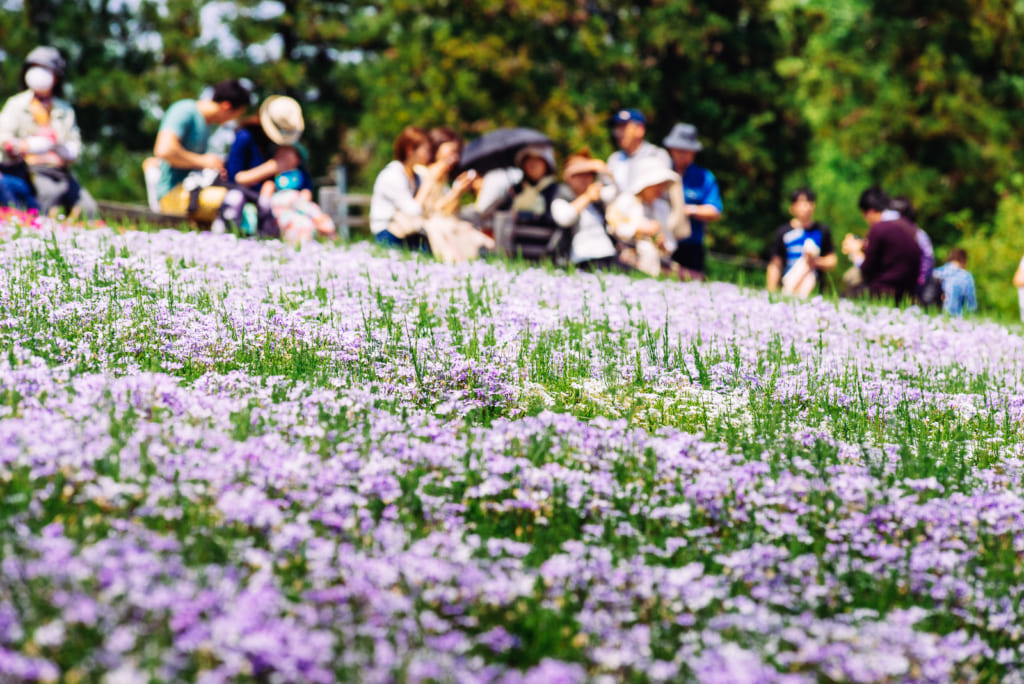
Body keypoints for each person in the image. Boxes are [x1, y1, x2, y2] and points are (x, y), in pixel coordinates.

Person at [0, 46, 97, 218]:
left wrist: (61, 148)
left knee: (88, 208)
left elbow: (75, 147)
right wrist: (28, 145)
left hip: (60, 171)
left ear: (56, 76)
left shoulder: (64, 109)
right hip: (29, 170)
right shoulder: (16, 104)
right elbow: (4, 138)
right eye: (34, 67)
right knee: (48, 196)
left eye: (45, 69)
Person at [152, 78, 252, 223]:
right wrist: (203, 161)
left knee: (242, 200)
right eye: (235, 115)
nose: (232, 121)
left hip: (195, 192)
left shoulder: (208, 125)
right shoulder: (184, 110)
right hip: (172, 193)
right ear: (225, 106)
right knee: (233, 200)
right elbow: (164, 150)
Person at [220, 95, 308, 235]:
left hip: (282, 203)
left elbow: (304, 183)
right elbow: (234, 178)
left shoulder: (291, 148)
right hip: (249, 198)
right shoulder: (246, 136)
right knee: (235, 200)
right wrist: (274, 167)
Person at [606, 156, 688, 278]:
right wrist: (638, 229)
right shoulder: (626, 201)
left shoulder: (662, 207)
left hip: (657, 263)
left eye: (662, 184)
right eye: (657, 184)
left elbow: (670, 243)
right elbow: (613, 228)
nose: (660, 188)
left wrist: (662, 245)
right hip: (628, 261)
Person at [663, 123, 723, 280]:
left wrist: (688, 210)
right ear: (671, 149)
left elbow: (715, 211)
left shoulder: (703, 176)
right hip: (661, 241)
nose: (682, 154)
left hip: (690, 245)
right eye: (679, 150)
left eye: (686, 151)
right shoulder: (660, 172)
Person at [842, 186, 921, 304]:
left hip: (884, 293)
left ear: (870, 211)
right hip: (909, 293)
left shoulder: (879, 228)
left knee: (842, 299)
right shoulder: (909, 226)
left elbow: (867, 271)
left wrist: (856, 252)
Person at [369, 125, 442, 249]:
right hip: (388, 234)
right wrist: (429, 181)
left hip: (409, 231)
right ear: (410, 150)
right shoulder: (392, 175)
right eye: (426, 150)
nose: (429, 155)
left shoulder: (416, 175)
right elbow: (412, 210)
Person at [550, 150, 621, 270]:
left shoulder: (598, 198)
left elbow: (616, 191)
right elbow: (564, 218)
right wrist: (587, 197)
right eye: (578, 174)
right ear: (568, 177)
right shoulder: (561, 198)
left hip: (608, 254)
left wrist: (603, 169)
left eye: (588, 174)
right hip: (581, 258)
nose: (584, 179)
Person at [766, 187, 836, 296]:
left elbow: (832, 261)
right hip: (788, 287)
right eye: (801, 203)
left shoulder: (822, 230)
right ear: (792, 207)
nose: (805, 207)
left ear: (814, 206)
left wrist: (815, 262)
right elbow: (775, 264)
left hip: (814, 290)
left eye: (809, 202)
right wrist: (771, 292)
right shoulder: (783, 232)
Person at [606, 109, 671, 195]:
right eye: (617, 127)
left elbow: (662, 193)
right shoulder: (614, 159)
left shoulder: (657, 155)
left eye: (623, 127)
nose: (618, 132)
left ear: (640, 130)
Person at [889, 196, 936, 305]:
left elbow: (927, 261)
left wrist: (918, 281)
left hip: (913, 288)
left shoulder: (918, 235)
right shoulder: (918, 234)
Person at [931, 248, 977, 317]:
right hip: (956, 318)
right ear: (964, 260)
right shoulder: (966, 276)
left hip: (932, 316)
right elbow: (971, 304)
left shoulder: (935, 272)